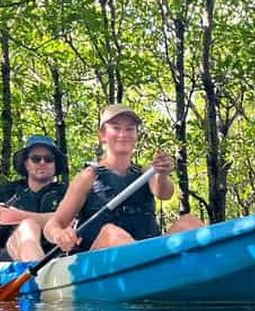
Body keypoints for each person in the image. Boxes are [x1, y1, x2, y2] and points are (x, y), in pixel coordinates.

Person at [44, 104, 201, 253]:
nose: (123, 134)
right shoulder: (88, 176)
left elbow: (164, 193)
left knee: (189, 222)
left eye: (129, 129)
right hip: (101, 260)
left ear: (136, 135)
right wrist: (60, 235)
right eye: (116, 128)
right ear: (103, 135)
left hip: (148, 253)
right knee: (111, 234)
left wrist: (161, 175)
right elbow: (53, 224)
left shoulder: (146, 172)